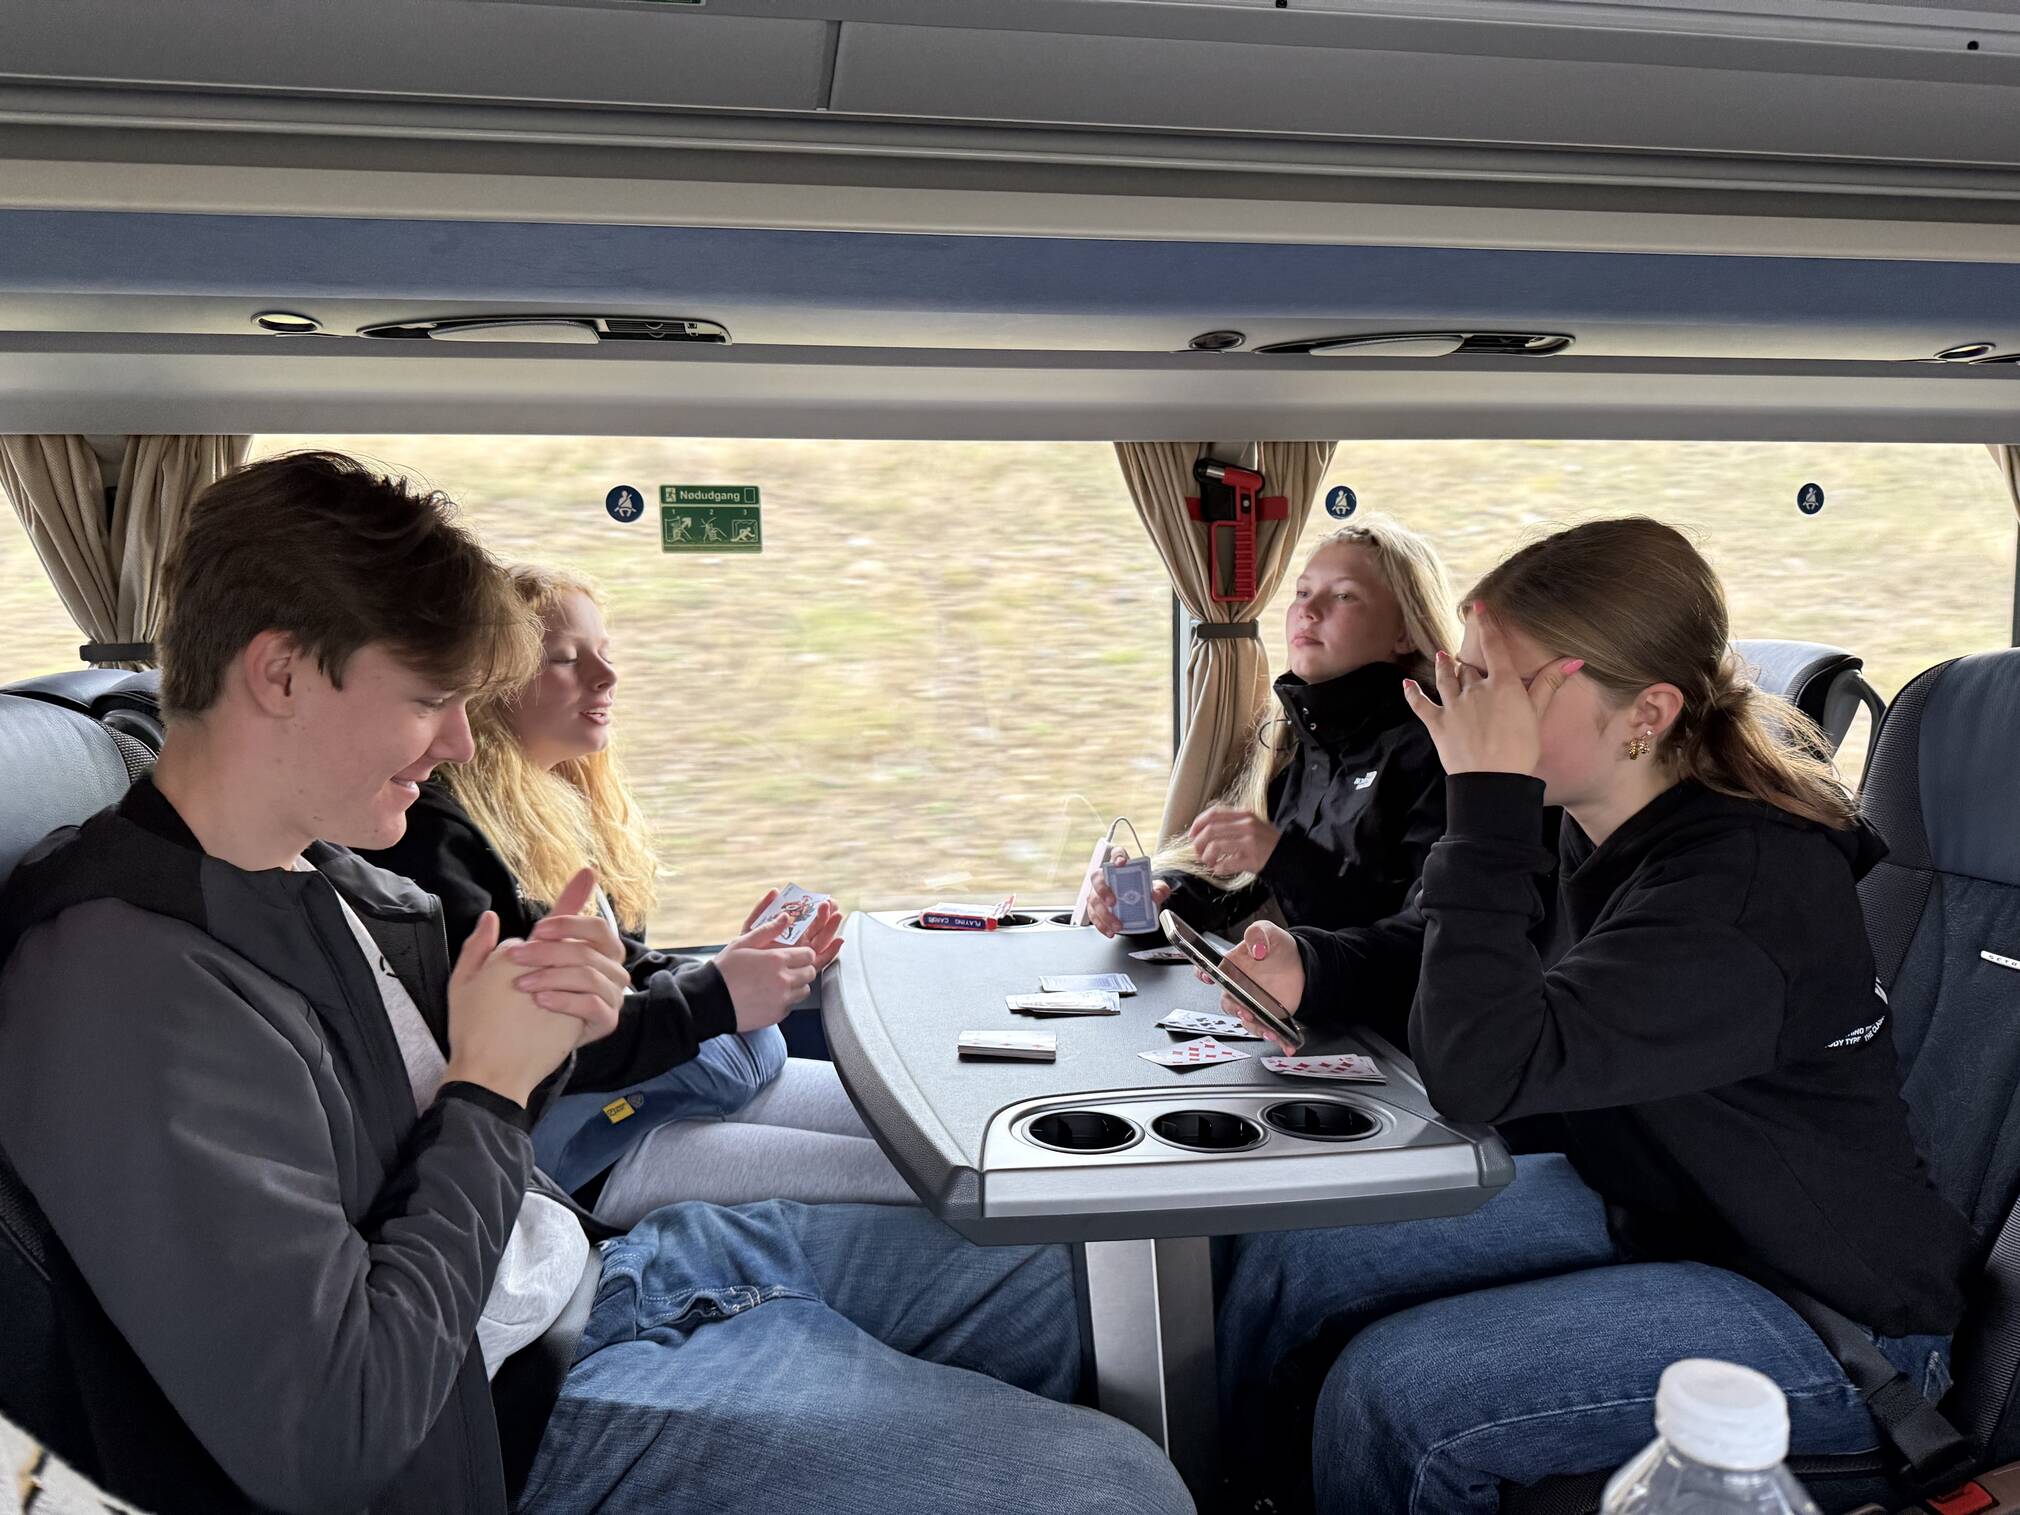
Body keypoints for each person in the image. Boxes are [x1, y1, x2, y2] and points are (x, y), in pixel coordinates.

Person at [0, 452, 1192, 1515]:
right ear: (280, 673)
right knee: (1115, 1490)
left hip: (602, 1266)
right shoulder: (122, 989)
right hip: (521, 1409)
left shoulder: (320, 880)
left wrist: (553, 1014)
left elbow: (450, 1103)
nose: (458, 744)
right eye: (428, 701)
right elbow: (339, 1433)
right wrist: (488, 1090)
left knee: (1089, 1275)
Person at [1210, 518, 1975, 1512]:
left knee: (1395, 1392)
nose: (1469, 712)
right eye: (1468, 676)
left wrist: (1484, 797)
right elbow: (1466, 956)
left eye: (1509, 687)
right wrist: (1312, 965)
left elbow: (1481, 1068)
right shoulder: (1593, 821)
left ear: (1644, 713)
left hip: (1827, 1308)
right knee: (1291, 1258)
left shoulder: (1742, 889)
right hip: (1670, 1206)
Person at [363, 562, 913, 1218]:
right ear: (488, 688)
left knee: (924, 1136)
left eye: (605, 652)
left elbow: (618, 972)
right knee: (921, 1181)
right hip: (587, 1147)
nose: (606, 677)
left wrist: (731, 970)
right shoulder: (434, 837)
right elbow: (529, 1047)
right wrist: (714, 997)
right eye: (566, 659)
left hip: (649, 1090)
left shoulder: (554, 803)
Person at [1085, 520, 1456, 1037]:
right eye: (1302, 592)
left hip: (1395, 1038)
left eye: (1343, 596)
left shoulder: (1439, 749)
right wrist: (1163, 899)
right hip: (1319, 1015)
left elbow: (1420, 935)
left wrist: (1279, 856)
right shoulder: (1304, 743)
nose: (1309, 609)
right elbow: (1247, 887)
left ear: (1405, 632)